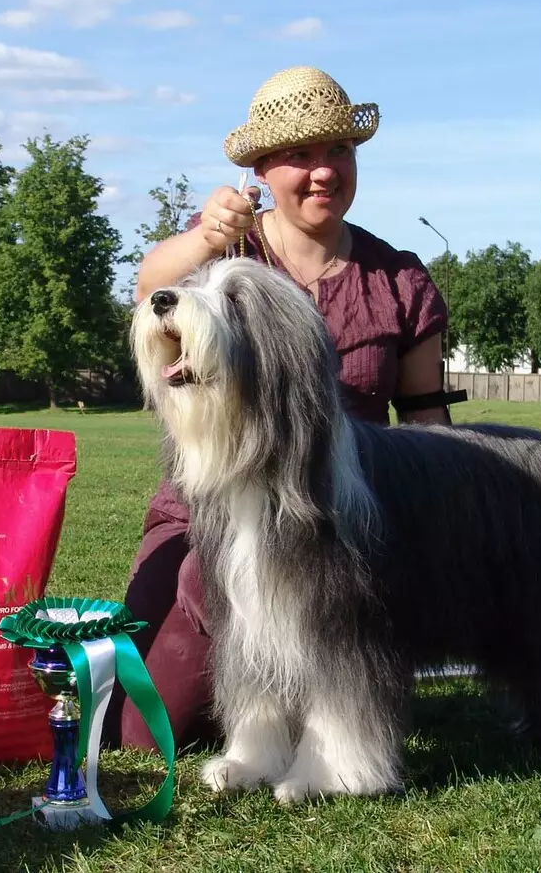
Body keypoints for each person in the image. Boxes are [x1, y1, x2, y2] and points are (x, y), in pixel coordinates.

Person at [108, 65, 463, 753]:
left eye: (338, 152)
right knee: (140, 736)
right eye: (300, 155)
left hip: (338, 507)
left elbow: (426, 420)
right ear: (262, 169)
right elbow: (153, 288)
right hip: (208, 511)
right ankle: (262, 702)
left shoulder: (399, 279)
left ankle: (329, 699)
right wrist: (206, 239)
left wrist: (449, 513)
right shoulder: (222, 258)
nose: (323, 171)